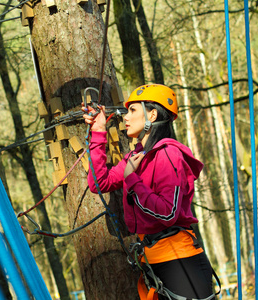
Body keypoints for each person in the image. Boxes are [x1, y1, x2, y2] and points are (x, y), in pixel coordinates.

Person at [82, 84, 216, 300]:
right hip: (154, 262)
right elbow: (99, 183)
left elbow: (167, 213)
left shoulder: (168, 154)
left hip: (180, 260)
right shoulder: (135, 158)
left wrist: (132, 179)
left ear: (152, 114)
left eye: (133, 110)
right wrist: (98, 132)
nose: (126, 116)